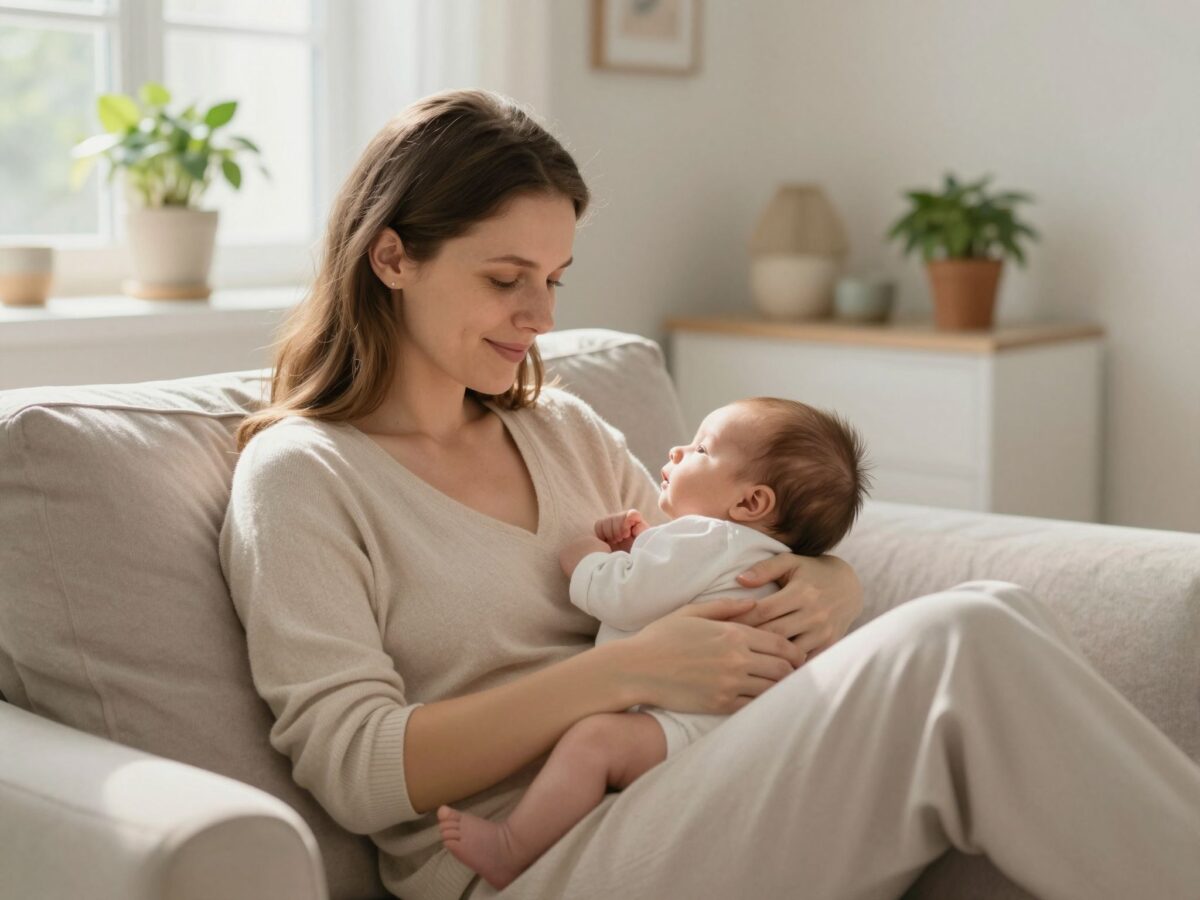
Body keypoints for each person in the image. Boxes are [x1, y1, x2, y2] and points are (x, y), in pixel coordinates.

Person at [218, 87, 1200, 900]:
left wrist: (829, 583)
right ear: (393, 257)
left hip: (681, 781)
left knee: (994, 612)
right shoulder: (305, 475)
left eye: (556, 278)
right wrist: (622, 673)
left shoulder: (560, 430)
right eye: (507, 278)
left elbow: (710, 559)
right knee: (962, 644)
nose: (541, 317)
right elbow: (354, 771)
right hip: (526, 858)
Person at [436, 397, 874, 889]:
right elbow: (666, 585)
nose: (678, 450)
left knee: (593, 742)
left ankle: (512, 847)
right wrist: (640, 549)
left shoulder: (705, 538)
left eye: (702, 448)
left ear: (751, 503)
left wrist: (586, 559)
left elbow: (623, 597)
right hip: (744, 732)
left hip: (692, 727)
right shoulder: (743, 552)